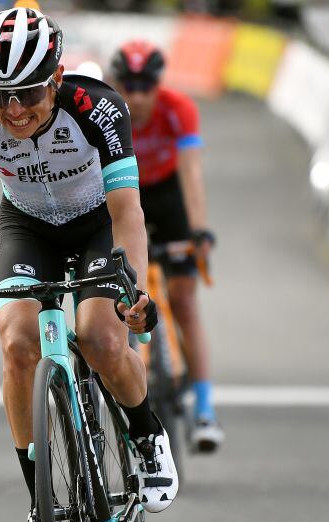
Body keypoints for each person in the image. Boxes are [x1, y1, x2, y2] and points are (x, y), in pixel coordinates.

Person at [0, 7, 178, 522]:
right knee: (17, 343)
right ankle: (40, 505)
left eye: (28, 93)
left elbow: (129, 213)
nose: (13, 110)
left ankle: (145, 432)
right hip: (27, 227)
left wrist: (132, 292)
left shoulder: (99, 108)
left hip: (98, 224)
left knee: (101, 337)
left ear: (57, 79)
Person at [109, 40, 225, 451]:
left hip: (168, 196)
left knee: (184, 300)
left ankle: (205, 409)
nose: (137, 97)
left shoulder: (179, 109)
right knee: (120, 299)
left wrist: (198, 231)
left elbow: (192, 173)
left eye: (146, 86)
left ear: (159, 85)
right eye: (129, 86)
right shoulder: (106, 109)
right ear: (116, 82)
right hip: (124, 197)